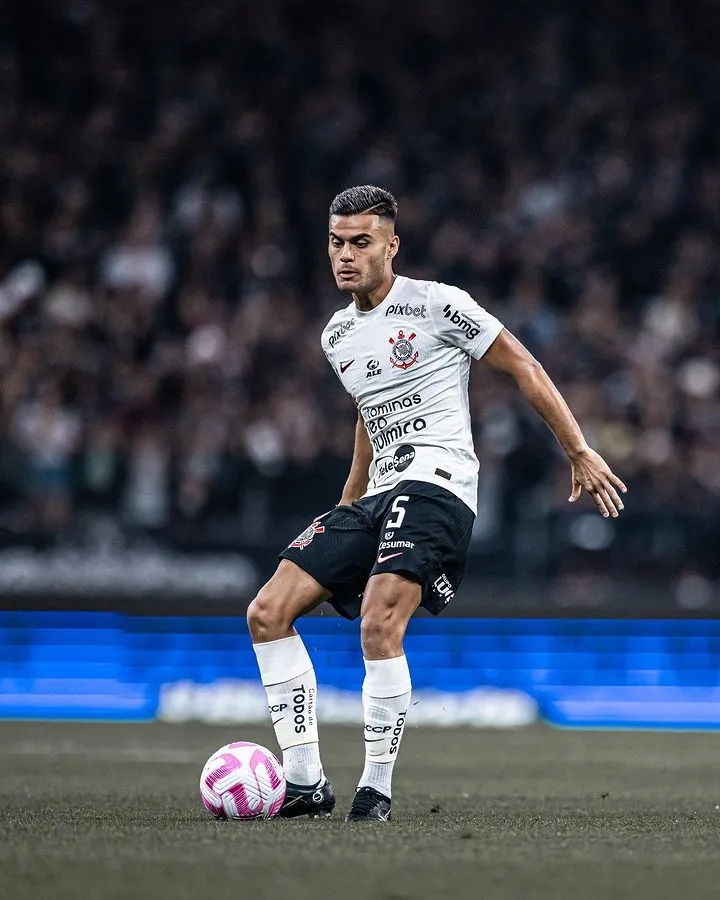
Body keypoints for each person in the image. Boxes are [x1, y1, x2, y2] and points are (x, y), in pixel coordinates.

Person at [246, 185, 627, 822]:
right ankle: (305, 782)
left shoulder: (437, 304)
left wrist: (579, 450)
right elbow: (369, 424)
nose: (346, 255)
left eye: (361, 243)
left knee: (378, 622)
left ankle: (375, 792)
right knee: (267, 612)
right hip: (376, 494)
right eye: (337, 243)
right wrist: (344, 511)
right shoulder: (337, 336)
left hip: (438, 486)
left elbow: (523, 366)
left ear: (391, 246)